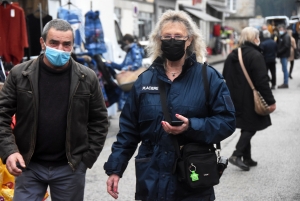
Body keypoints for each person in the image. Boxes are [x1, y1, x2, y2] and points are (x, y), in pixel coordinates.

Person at [104, 10, 236, 201]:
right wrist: (115, 169)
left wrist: (191, 126)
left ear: (189, 40)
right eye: (167, 37)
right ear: (159, 39)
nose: (172, 41)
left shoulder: (209, 78)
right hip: (152, 179)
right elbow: (128, 131)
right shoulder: (144, 81)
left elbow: (227, 121)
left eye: (178, 37)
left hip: (193, 180)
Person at [0, 19, 109, 201]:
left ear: (73, 45)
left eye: (67, 44)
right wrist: (9, 151)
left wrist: (85, 160)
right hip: (28, 165)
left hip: (70, 167)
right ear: (42, 43)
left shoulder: (87, 77)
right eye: (54, 43)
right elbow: (1, 115)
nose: (60, 49)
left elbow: (99, 121)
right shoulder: (20, 75)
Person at [223, 27, 276, 171]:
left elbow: (224, 76)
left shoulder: (233, 54)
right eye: (257, 36)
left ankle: (247, 157)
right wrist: (271, 101)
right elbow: (262, 80)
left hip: (234, 97)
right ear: (254, 38)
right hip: (249, 99)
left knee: (247, 125)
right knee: (251, 126)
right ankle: (236, 154)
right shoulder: (255, 55)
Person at [106, 33, 143, 111]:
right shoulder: (129, 51)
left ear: (126, 41)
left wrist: (127, 69)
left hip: (132, 81)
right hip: (129, 82)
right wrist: (111, 63)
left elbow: (137, 63)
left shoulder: (134, 49)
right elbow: (122, 66)